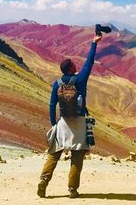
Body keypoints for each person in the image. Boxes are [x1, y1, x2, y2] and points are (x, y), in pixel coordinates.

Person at [37, 30, 103, 198]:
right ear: (71, 68)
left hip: (63, 123)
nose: (76, 65)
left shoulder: (57, 84)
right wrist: (94, 42)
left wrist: (54, 124)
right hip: (79, 123)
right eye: (74, 64)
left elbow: (52, 104)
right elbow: (90, 62)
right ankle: (72, 190)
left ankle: (43, 181)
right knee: (77, 156)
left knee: (54, 155)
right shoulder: (80, 80)